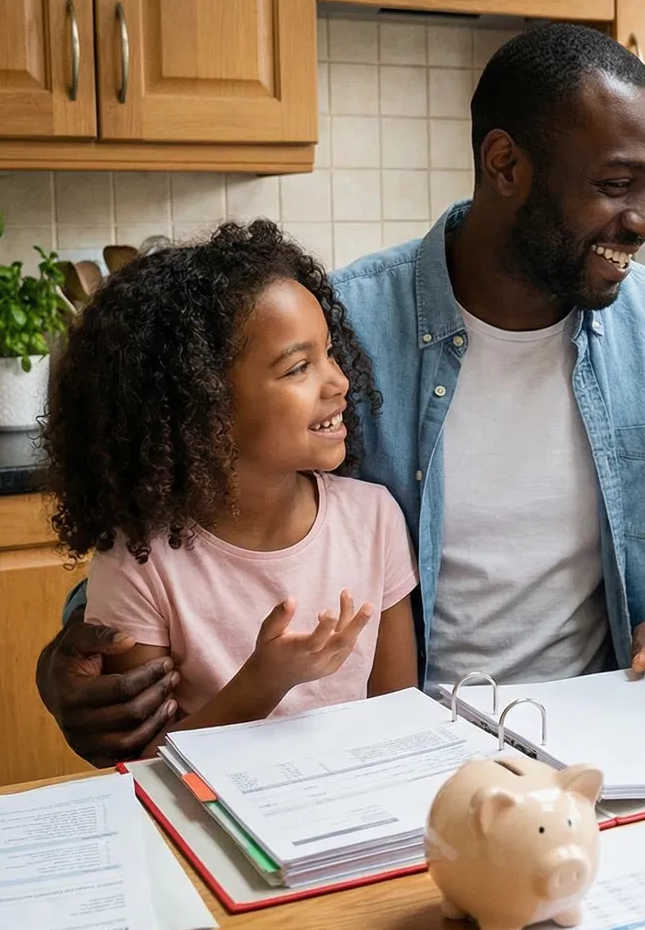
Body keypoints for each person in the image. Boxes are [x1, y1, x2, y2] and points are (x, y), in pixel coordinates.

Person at [36, 24, 645, 766]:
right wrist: (73, 664)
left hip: (601, 738)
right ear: (505, 164)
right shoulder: (347, 324)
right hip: (399, 749)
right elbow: (211, 509)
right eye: (615, 185)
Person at [39, 222, 418, 744]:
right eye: (298, 368)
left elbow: (400, 722)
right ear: (203, 404)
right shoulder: (140, 564)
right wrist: (264, 682)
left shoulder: (374, 519)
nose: (340, 382)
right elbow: (149, 766)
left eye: (330, 353)